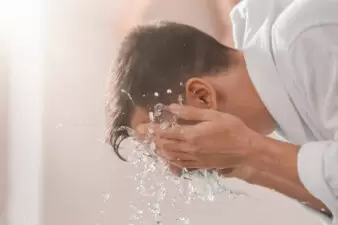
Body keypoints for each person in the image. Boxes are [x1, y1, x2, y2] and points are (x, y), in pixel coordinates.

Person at [106, 0, 338, 222]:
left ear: (202, 96)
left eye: (169, 139)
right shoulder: (283, 94)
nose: (176, 167)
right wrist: (247, 168)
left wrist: (251, 149)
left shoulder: (307, 38)